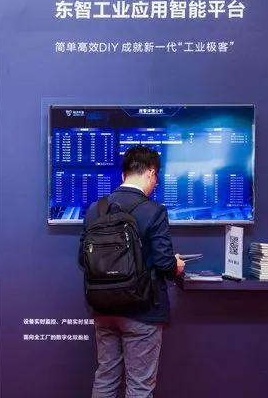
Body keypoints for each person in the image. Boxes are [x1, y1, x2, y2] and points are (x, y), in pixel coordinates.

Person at [79, 146, 185, 398]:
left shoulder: (95, 209)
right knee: (139, 386)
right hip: (143, 310)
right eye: (156, 178)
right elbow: (164, 263)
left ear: (123, 174)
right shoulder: (154, 210)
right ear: (151, 173)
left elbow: (82, 259)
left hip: (103, 308)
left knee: (106, 379)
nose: (155, 184)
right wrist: (177, 266)